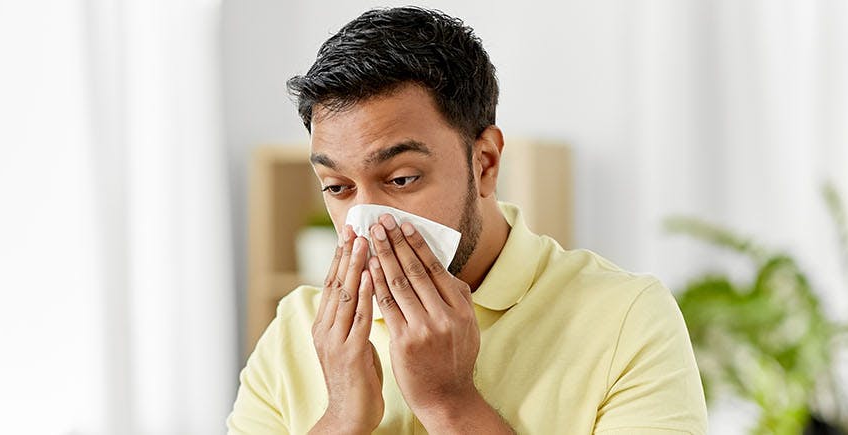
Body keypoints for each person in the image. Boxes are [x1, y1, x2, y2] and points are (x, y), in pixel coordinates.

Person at [228, 6, 707, 434]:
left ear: (485, 163)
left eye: (401, 178)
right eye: (338, 187)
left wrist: (450, 403)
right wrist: (340, 418)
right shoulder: (296, 329)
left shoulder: (625, 318)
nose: (366, 222)